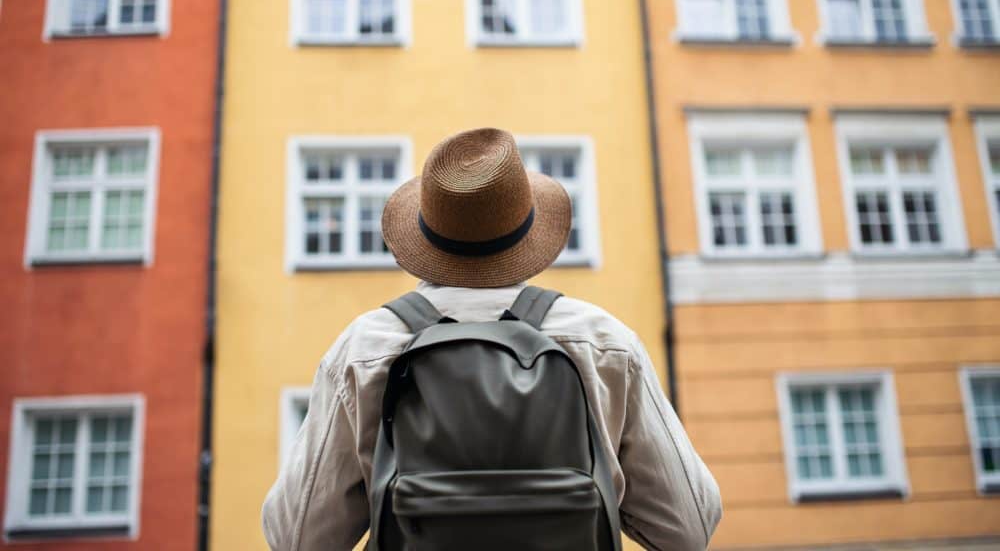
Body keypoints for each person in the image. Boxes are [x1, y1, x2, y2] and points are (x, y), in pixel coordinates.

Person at [262, 128, 722, 550]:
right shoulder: (602, 341)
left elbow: (297, 536)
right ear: (528, 234)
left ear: (426, 238)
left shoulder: (364, 349)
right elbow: (689, 526)